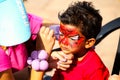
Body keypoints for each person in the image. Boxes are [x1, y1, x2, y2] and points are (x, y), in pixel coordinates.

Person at [49, 1, 110, 80]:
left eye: (72, 38)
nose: (63, 42)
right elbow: (57, 76)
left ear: (89, 43)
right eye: (61, 34)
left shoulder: (94, 69)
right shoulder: (65, 55)